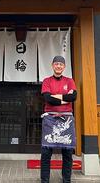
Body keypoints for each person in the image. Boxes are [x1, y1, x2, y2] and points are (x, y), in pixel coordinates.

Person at [40, 55, 77, 183]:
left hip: (66, 119)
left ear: (64, 67)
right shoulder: (46, 81)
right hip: (50, 118)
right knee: (46, 152)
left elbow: (73, 98)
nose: (58, 66)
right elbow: (47, 99)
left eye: (61, 64)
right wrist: (64, 98)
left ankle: (66, 180)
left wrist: (56, 98)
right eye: (56, 64)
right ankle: (44, 180)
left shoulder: (70, 81)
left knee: (67, 153)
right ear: (52, 65)